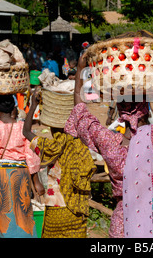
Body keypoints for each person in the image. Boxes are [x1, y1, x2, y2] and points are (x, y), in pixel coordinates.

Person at [65, 39, 153, 238]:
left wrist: (80, 71)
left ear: (119, 108)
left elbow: (80, 113)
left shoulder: (108, 142)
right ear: (146, 106)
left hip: (123, 223)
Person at [22, 90, 96, 238]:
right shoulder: (80, 146)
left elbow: (26, 131)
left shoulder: (50, 147)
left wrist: (33, 105)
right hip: (76, 209)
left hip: (55, 208)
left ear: (52, 127)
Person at [0, 95, 45, 238]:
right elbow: (30, 154)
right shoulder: (23, 127)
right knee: (22, 213)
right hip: (21, 176)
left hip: (0, 176)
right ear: (14, 108)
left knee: (1, 214)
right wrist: (36, 181)